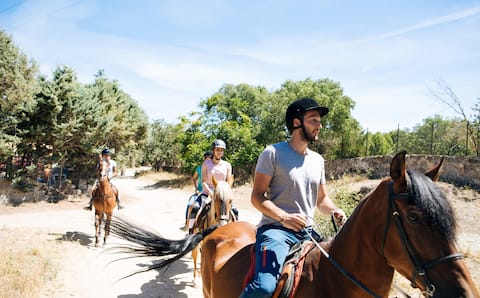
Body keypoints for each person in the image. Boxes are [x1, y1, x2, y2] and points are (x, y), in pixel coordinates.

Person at [240, 97, 346, 298]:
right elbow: (256, 196)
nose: (319, 125)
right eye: (313, 120)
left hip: (309, 233)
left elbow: (321, 200)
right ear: (297, 122)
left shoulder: (317, 160)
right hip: (275, 230)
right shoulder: (272, 153)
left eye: (319, 121)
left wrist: (334, 211)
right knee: (264, 288)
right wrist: (284, 218)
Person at [187, 139, 238, 234]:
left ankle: (234, 233)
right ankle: (191, 233)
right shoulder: (206, 163)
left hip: (222, 195)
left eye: (222, 150)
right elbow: (203, 182)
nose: (220, 152)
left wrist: (225, 194)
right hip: (207, 193)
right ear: (213, 150)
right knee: (194, 208)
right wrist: (211, 193)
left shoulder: (227, 165)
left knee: (235, 211)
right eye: (218, 149)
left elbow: (228, 182)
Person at [181, 151, 213, 230]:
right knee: (191, 204)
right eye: (207, 159)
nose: (208, 161)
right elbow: (194, 178)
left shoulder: (213, 168)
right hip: (201, 192)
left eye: (210, 159)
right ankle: (187, 224)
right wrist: (196, 189)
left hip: (212, 192)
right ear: (204, 159)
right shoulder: (199, 168)